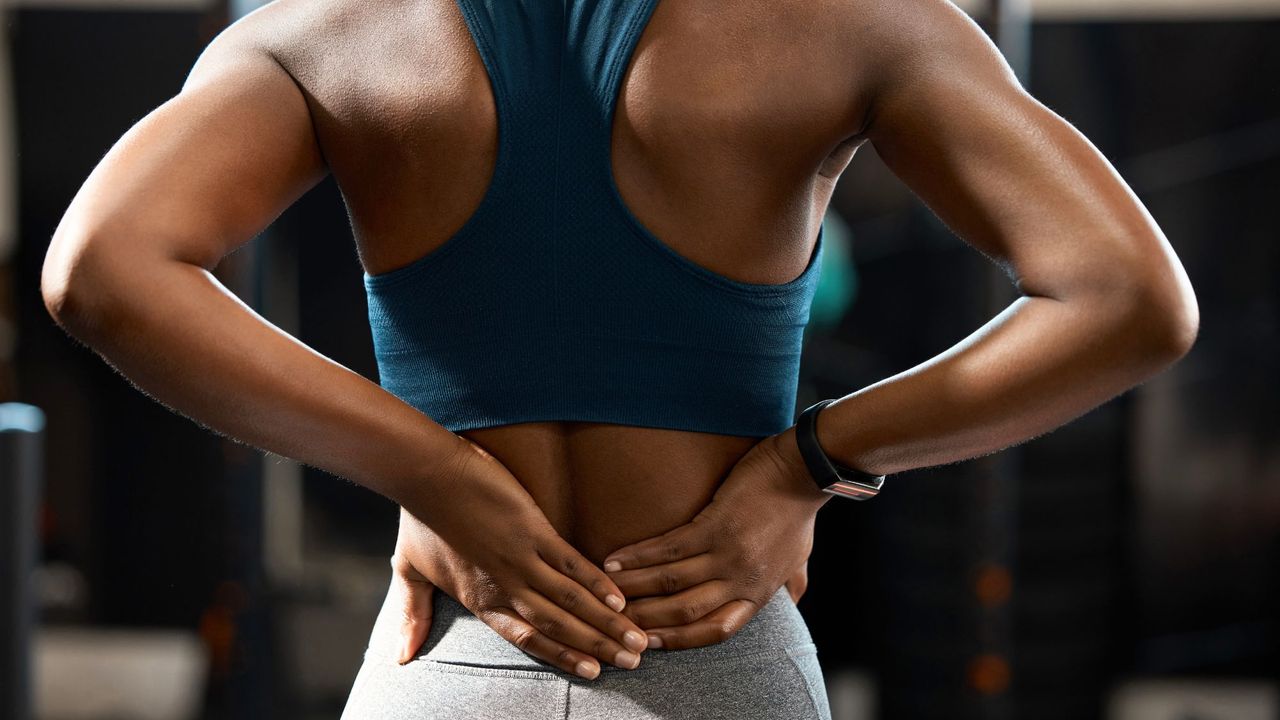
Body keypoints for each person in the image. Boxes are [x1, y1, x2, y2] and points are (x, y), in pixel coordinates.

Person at [40, 0, 1199, 717]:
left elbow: (98, 267)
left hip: (452, 662)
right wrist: (810, 462)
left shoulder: (328, 27)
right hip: (715, 666)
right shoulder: (854, 20)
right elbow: (1130, 297)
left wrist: (430, 471)